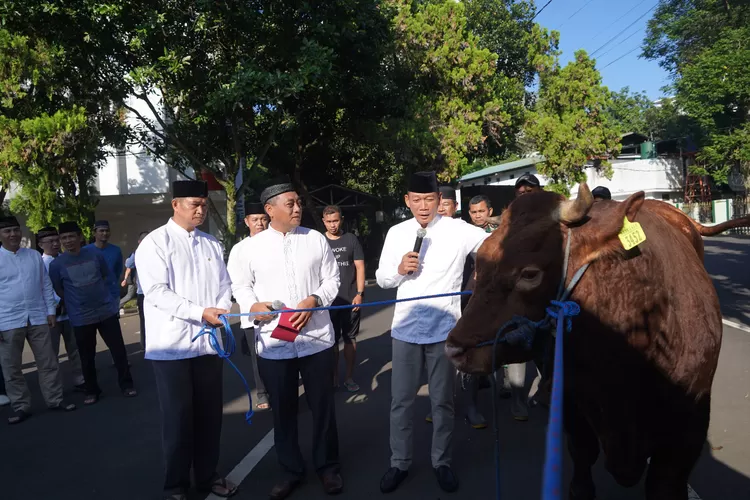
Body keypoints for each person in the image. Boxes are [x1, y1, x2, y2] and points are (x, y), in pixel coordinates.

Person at [376, 171, 488, 494]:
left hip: (444, 330)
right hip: (405, 330)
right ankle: (399, 462)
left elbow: (492, 246)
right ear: (407, 201)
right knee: (401, 402)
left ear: (441, 201)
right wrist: (399, 270)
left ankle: (442, 462)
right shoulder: (397, 233)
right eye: (417, 200)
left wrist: (485, 272)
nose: (424, 207)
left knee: (442, 402)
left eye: (430, 200)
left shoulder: (459, 230)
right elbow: (382, 278)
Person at [231, 180, 342, 499]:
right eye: (290, 203)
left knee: (322, 407)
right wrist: (252, 306)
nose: (298, 208)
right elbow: (240, 286)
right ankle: (291, 470)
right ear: (270, 210)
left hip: (317, 338)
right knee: (282, 410)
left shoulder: (315, 239)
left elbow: (331, 279)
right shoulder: (246, 249)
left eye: (298, 203)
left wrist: (314, 300)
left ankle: (328, 467)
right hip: (274, 342)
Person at [135, 180, 237, 500]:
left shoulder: (210, 243)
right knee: (179, 419)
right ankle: (176, 485)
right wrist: (199, 312)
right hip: (172, 346)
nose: (201, 209)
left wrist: (219, 311)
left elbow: (224, 285)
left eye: (205, 204)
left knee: (209, 416)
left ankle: (208, 476)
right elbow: (156, 292)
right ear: (175, 205)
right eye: (194, 204)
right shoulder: (155, 243)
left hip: (208, 343)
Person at [49, 221, 136, 405]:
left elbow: (107, 277)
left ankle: (127, 385)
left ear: (80, 237)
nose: (68, 240)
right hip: (80, 316)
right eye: (64, 238)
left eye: (71, 236)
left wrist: (108, 299)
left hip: (105, 310)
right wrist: (77, 301)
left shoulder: (95, 254)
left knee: (118, 351)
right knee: (86, 356)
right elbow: (59, 289)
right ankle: (92, 390)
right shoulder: (57, 264)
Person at [0, 216, 75, 425]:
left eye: (16, 230)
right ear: (0, 235)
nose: (13, 234)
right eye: (7, 231)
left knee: (49, 362)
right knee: (12, 368)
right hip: (7, 320)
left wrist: (50, 310)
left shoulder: (33, 255)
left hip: (37, 316)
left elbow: (45, 285)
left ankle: (55, 399)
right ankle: (21, 406)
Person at [227, 201, 271, 411]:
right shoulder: (239, 249)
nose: (260, 223)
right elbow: (235, 283)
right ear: (247, 222)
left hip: (277, 311)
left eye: (263, 219)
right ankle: (262, 392)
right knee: (257, 356)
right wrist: (252, 305)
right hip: (251, 313)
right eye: (255, 220)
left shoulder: (276, 243)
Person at [322, 205, 365, 392]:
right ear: (324, 221)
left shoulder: (350, 239)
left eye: (336, 221)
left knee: (350, 339)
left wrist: (360, 294)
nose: (333, 225)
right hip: (327, 302)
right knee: (330, 341)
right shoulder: (319, 241)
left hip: (350, 299)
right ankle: (333, 377)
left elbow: (360, 267)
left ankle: (348, 377)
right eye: (329, 221)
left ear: (341, 219)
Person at [37, 226, 86, 392]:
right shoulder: (39, 263)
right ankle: (55, 388)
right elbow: (41, 288)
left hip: (70, 312)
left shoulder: (66, 259)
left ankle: (80, 378)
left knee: (75, 348)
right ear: (40, 244)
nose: (55, 244)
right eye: (50, 241)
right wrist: (56, 302)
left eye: (56, 240)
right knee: (51, 353)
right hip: (50, 315)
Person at [84, 220, 124, 305]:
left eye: (107, 230)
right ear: (94, 233)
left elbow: (117, 271)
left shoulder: (116, 250)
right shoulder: (85, 251)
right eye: (101, 231)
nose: (105, 233)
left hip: (112, 294)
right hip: (92, 296)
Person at [122, 231, 149, 348]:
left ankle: (146, 344)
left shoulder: (138, 252)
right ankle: (147, 343)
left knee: (145, 320)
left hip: (145, 292)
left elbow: (128, 263)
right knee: (148, 320)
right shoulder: (148, 251)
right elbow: (129, 264)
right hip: (147, 291)